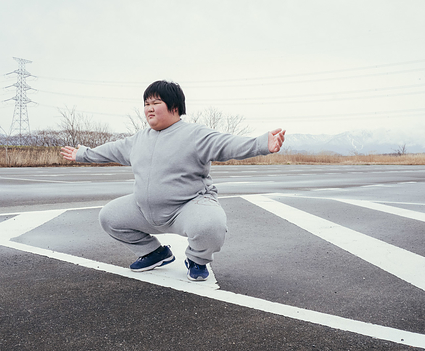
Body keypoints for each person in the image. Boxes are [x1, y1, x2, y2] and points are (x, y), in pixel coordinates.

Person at [61, 80, 285, 281]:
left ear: (174, 107)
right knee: (109, 216)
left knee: (211, 225)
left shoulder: (195, 134)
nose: (149, 108)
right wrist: (82, 154)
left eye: (155, 102)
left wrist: (262, 144)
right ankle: (154, 253)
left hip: (187, 208)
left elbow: (228, 144)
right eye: (146, 103)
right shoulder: (138, 140)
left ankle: (196, 260)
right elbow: (110, 151)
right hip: (145, 211)